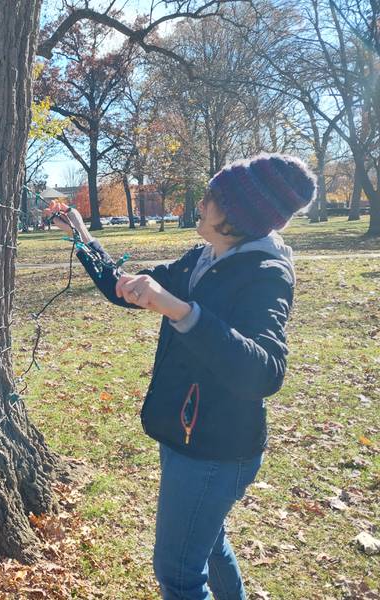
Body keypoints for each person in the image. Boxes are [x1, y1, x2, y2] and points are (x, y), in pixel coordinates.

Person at [46, 154, 315, 600]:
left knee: (177, 573)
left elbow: (264, 371)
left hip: (216, 449)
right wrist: (81, 234)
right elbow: (124, 289)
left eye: (213, 197)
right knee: (208, 545)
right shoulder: (204, 257)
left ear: (238, 215)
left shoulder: (266, 275)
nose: (202, 203)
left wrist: (181, 311)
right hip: (185, 435)